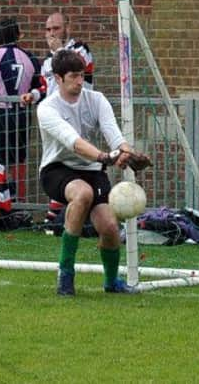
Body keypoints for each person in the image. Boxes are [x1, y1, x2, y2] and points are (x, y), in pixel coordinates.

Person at [37, 49, 145, 296]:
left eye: (82, 75)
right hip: (57, 169)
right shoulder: (46, 108)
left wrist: (128, 153)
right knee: (83, 194)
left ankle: (111, 283)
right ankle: (65, 274)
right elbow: (73, 142)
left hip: (92, 169)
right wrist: (105, 157)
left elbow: (114, 134)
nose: (79, 81)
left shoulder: (96, 99)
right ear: (58, 78)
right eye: (73, 76)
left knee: (108, 227)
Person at [24, 11, 96, 229]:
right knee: (59, 164)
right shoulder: (47, 61)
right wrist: (33, 95)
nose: (51, 33)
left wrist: (58, 51)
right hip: (55, 118)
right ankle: (56, 217)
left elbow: (81, 67)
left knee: (74, 164)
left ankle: (57, 217)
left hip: (77, 115)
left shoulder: (80, 49)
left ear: (67, 27)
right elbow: (46, 88)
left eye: (56, 28)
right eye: (48, 29)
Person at [0, 18, 44, 202]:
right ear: (17, 35)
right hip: (22, 115)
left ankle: (1, 201)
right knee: (18, 161)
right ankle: (18, 202)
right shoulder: (30, 58)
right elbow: (40, 88)